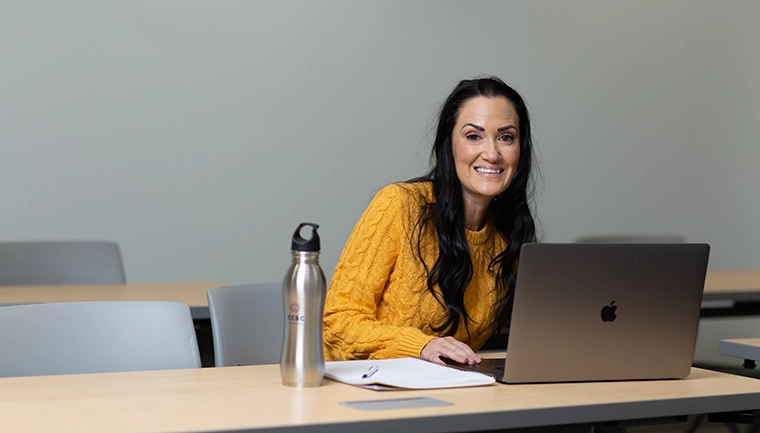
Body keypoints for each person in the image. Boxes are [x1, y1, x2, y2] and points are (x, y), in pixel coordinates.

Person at [323, 76, 537, 366]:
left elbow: (543, 330)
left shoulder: (512, 232)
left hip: (450, 391)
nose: (491, 153)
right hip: (364, 390)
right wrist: (420, 346)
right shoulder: (399, 205)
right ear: (449, 144)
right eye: (473, 136)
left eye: (506, 137)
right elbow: (338, 322)